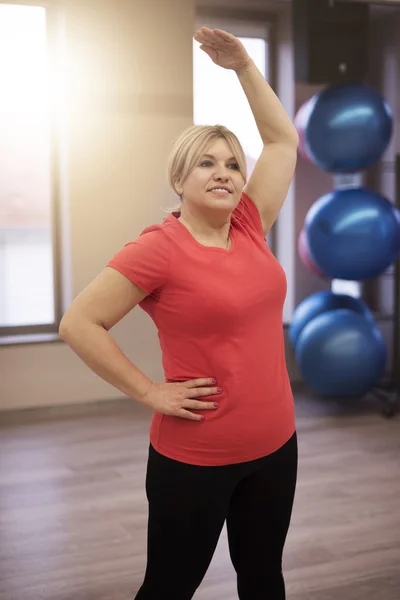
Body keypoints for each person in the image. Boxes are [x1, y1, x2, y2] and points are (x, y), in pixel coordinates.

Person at [59, 26, 299, 600]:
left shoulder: (248, 224)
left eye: (232, 165)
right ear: (178, 179)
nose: (224, 173)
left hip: (275, 445)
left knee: (264, 579)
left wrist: (242, 66)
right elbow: (79, 323)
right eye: (206, 164)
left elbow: (283, 142)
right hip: (196, 455)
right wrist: (149, 391)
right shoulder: (158, 248)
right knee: (170, 586)